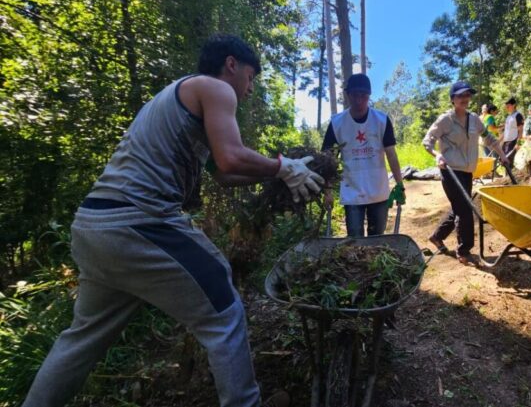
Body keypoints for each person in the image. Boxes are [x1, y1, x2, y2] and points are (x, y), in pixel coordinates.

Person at [20, 34, 315, 407]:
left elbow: (224, 174)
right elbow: (231, 158)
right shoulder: (215, 89)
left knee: (82, 337)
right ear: (231, 65)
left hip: (94, 227)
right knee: (224, 311)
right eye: (251, 77)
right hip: (138, 221)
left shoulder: (179, 97)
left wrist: (279, 174)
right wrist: (283, 165)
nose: (250, 88)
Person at [422, 81, 509, 265]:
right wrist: (437, 155)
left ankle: (437, 237)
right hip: (450, 171)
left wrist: (503, 155)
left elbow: (489, 138)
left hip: (468, 171)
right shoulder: (445, 120)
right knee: (466, 209)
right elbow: (427, 141)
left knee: (460, 208)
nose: (464, 99)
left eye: (467, 95)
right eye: (460, 96)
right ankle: (464, 250)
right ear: (452, 99)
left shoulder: (475, 119)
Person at [322, 73, 405, 237]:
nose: (359, 101)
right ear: (347, 95)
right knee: (354, 239)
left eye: (363, 96)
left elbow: (391, 155)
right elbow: (328, 160)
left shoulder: (381, 120)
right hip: (352, 191)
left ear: (369, 96)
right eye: (355, 95)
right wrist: (328, 191)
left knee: (377, 237)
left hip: (378, 190)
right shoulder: (337, 123)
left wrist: (400, 184)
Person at [502, 97, 525, 162]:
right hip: (506, 141)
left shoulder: (518, 115)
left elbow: (520, 130)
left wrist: (518, 143)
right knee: (504, 160)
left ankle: (511, 172)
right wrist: (499, 141)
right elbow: (506, 130)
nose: (507, 108)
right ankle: (508, 172)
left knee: (509, 161)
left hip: (513, 141)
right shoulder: (509, 116)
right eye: (506, 106)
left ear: (514, 105)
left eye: (508, 106)